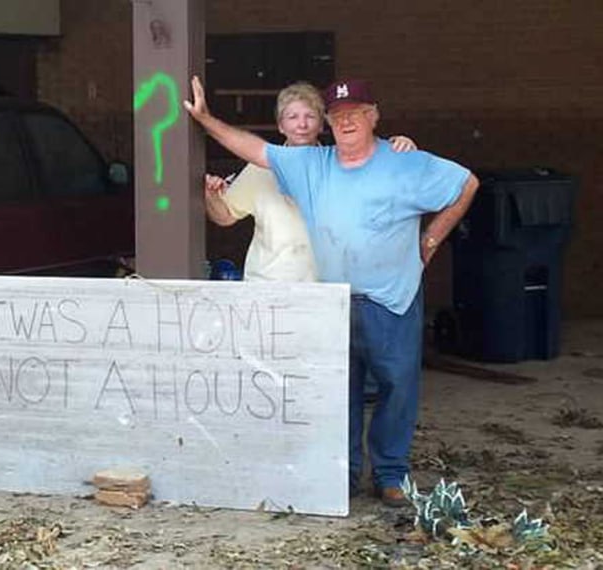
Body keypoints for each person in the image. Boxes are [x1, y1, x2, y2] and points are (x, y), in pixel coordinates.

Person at [184, 75, 479, 507]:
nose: (347, 121)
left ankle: (390, 473)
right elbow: (253, 150)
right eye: (339, 115)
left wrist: (430, 242)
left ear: (373, 116)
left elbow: (465, 184)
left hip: (390, 299)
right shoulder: (313, 165)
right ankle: (344, 475)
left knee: (398, 386)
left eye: (356, 113)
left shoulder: (403, 161)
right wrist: (207, 119)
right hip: (331, 300)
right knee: (339, 391)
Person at [204, 81, 416, 282]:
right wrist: (211, 196)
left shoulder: (340, 164)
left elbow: (378, 169)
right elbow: (225, 217)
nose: (302, 124)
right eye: (293, 117)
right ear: (280, 126)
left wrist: (398, 147)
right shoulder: (260, 169)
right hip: (267, 285)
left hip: (325, 287)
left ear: (322, 124)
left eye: (310, 116)